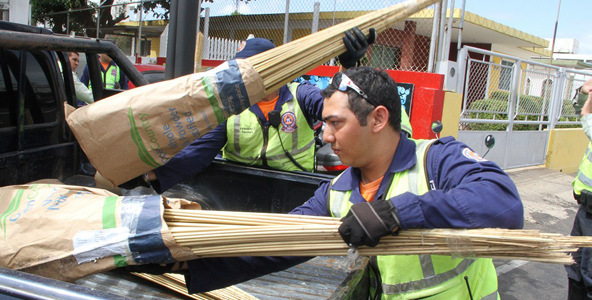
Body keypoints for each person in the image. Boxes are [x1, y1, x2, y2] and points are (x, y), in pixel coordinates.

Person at [152, 67, 523, 299]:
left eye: (336, 123)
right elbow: (279, 241)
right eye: (324, 124)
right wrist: (186, 262)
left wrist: (398, 212)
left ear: (377, 119)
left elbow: (502, 202)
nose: (325, 136)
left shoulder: (436, 160)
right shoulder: (338, 192)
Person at [142, 29, 379, 194]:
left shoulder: (302, 96)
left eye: (248, 70)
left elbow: (340, 107)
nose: (240, 77)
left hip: (295, 193)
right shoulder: (229, 107)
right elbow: (197, 153)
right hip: (237, 191)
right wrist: (147, 175)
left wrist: (348, 68)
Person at [567, 77, 592, 300]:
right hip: (586, 208)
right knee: (575, 265)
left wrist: (587, 103)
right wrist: (584, 92)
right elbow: (580, 108)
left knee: (590, 274)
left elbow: (586, 117)